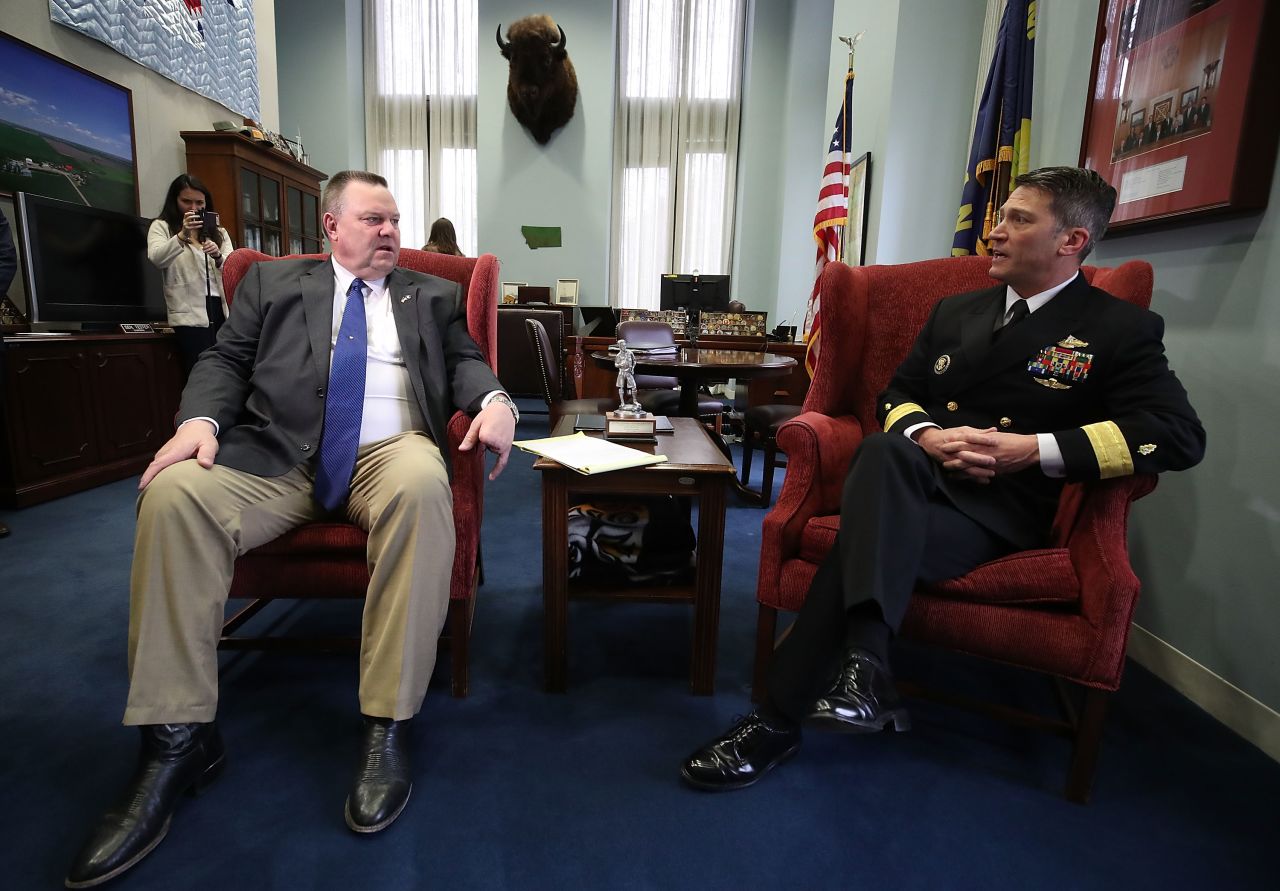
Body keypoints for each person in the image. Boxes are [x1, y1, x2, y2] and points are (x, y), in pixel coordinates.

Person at [680, 166, 1206, 791]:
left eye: (1018, 219)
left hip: (996, 511)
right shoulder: (955, 311)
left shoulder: (1117, 327)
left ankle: (777, 719)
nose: (995, 233)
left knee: (858, 545)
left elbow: (1178, 435)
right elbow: (898, 395)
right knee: (884, 453)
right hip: (911, 480)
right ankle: (865, 672)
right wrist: (929, 436)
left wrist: (1030, 449)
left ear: (1071, 240)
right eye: (999, 216)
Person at [66, 171, 519, 886]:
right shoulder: (275, 287)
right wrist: (199, 420)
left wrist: (496, 401)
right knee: (175, 495)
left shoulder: (431, 296)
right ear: (331, 227)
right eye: (373, 219)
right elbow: (224, 358)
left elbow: (467, 364)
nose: (390, 231)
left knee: (423, 481)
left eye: (395, 219)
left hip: (388, 449)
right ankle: (177, 739)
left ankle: (387, 723)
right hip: (279, 453)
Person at [147, 175, 234, 377]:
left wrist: (218, 256)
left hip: (220, 308)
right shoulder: (162, 227)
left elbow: (233, 266)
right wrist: (182, 236)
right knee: (199, 371)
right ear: (174, 201)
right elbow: (157, 258)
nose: (193, 207)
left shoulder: (218, 231)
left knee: (226, 369)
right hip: (189, 314)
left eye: (199, 202)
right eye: (186, 201)